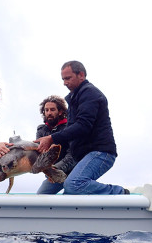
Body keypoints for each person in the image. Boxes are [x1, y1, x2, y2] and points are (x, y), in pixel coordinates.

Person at [35, 61, 129, 195]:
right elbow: (72, 133)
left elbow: (83, 126)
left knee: (73, 185)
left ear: (81, 75)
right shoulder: (74, 98)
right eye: (63, 79)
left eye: (68, 78)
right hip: (79, 156)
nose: (64, 83)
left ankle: (121, 193)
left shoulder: (90, 93)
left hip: (100, 152)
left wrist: (51, 138)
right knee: (43, 194)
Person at [36, 95, 76, 194]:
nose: (49, 113)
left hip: (74, 172)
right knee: (41, 196)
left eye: (52, 109)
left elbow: (73, 155)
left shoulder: (70, 128)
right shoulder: (41, 130)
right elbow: (40, 155)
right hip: (53, 174)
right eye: (46, 110)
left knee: (70, 196)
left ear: (60, 111)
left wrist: (56, 169)